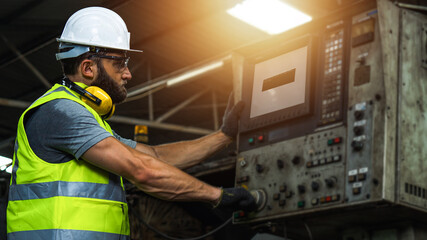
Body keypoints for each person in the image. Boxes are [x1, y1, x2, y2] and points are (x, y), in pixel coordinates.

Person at [6, 6, 256, 240]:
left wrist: (223, 136)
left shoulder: (88, 119)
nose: (128, 74)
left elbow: (155, 156)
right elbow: (143, 170)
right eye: (119, 64)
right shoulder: (61, 112)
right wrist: (217, 196)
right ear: (88, 68)